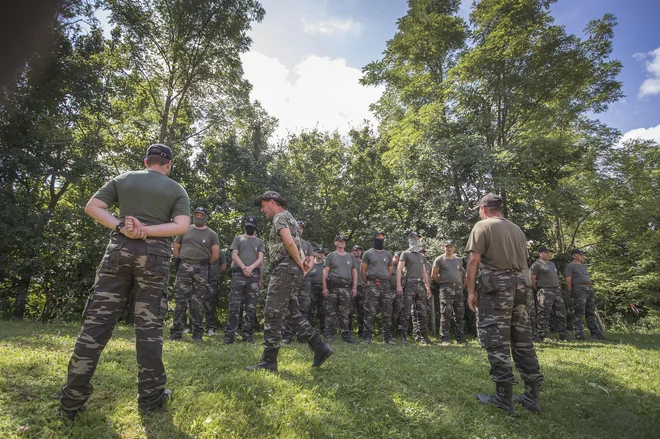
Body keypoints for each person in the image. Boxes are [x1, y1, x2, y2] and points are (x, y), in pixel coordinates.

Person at [60, 144, 190, 420]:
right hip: (154, 255)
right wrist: (147, 232)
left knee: (96, 324)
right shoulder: (176, 189)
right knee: (149, 327)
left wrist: (122, 226)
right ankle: (151, 397)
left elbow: (92, 207)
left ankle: (71, 400)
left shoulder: (123, 179)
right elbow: (181, 227)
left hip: (118, 250)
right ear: (168, 165)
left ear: (146, 161)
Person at [466, 193, 542, 413]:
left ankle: (503, 399)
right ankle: (532, 397)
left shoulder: (482, 226)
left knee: (497, 339)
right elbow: (525, 265)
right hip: (520, 285)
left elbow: (473, 259)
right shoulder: (517, 229)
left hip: (497, 286)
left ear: (483, 208)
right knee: (523, 341)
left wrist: (471, 291)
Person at [247, 191, 332, 372]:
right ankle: (319, 347)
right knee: (292, 313)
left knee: (272, 312)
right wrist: (302, 266)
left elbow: (290, 243)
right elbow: (297, 245)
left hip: (285, 268)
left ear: (272, 202)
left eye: (263, 206)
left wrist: (301, 265)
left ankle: (269, 361)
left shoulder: (279, 218)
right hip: (292, 269)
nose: (262, 211)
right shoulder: (291, 219)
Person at [170, 207, 220, 342]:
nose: (198, 216)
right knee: (181, 300)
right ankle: (176, 333)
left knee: (198, 302)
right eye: (196, 214)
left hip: (201, 269)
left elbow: (215, 253)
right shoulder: (185, 229)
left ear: (206, 217)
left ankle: (197, 334)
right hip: (184, 267)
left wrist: (205, 263)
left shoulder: (211, 234)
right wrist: (179, 259)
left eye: (201, 215)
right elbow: (176, 246)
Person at [224, 216, 265, 344]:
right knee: (234, 306)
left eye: (252, 226)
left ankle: (247, 335)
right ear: (245, 226)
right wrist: (244, 268)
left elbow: (261, 259)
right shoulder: (238, 239)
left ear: (255, 228)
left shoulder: (259, 242)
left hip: (254, 276)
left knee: (251, 307)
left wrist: (253, 271)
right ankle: (229, 335)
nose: (250, 228)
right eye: (248, 226)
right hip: (238, 275)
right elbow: (234, 255)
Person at [323, 235, 360, 344]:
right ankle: (329, 334)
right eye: (340, 241)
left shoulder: (350, 256)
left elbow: (354, 273)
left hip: (346, 287)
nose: (342, 243)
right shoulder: (331, 256)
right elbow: (325, 271)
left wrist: (354, 287)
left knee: (344, 312)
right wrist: (324, 287)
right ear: (335, 242)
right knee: (330, 312)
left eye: (343, 241)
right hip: (333, 287)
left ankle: (346, 335)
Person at [282, 219, 315, 343]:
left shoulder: (307, 245)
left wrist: (304, 273)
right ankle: (287, 335)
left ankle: (302, 335)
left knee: (304, 306)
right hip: (291, 277)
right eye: (298, 227)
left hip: (305, 279)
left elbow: (311, 261)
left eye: (301, 227)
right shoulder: (288, 241)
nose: (299, 229)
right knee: (290, 305)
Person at [396, 232, 432, 345]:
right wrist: (398, 285)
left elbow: (424, 272)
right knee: (406, 311)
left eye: (417, 239)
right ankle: (403, 337)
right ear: (409, 240)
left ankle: (424, 337)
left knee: (422, 312)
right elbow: (399, 269)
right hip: (409, 283)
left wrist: (427, 287)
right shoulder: (405, 254)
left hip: (420, 284)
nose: (416, 240)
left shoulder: (421, 256)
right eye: (414, 238)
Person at [360, 231, 395, 344]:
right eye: (378, 237)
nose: (380, 238)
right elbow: (363, 270)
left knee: (387, 311)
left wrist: (384, 279)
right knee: (370, 310)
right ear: (374, 238)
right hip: (372, 283)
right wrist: (369, 282)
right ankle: (367, 336)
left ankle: (387, 338)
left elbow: (390, 271)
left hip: (385, 284)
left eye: (382, 237)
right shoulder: (368, 253)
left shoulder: (388, 254)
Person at [565, 249, 606, 341]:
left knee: (590, 312)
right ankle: (579, 334)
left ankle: (595, 333)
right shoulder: (570, 266)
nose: (582, 256)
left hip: (589, 289)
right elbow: (568, 280)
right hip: (579, 289)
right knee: (579, 312)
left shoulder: (583, 266)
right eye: (580, 255)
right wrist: (572, 292)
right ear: (574, 256)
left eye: (582, 255)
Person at [432, 240, 467, 346]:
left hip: (458, 289)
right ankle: (444, 338)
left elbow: (461, 272)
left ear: (454, 248)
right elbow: (434, 275)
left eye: (451, 247)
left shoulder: (458, 260)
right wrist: (443, 283)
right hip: (446, 289)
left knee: (459, 314)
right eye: (447, 247)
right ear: (444, 248)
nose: (449, 248)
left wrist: (460, 284)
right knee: (446, 313)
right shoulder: (439, 259)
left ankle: (460, 338)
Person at [530, 246, 568, 342]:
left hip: (556, 290)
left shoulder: (551, 264)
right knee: (543, 314)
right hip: (545, 291)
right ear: (540, 253)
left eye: (549, 253)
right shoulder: (536, 265)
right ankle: (541, 336)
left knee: (561, 313)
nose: (548, 254)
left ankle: (564, 335)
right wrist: (538, 289)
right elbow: (532, 279)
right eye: (546, 252)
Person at [204, 251, 227, 336]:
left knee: (210, 305)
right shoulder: (202, 250)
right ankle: (192, 327)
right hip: (199, 280)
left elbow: (223, 266)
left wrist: (215, 274)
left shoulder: (220, 253)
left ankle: (210, 328)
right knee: (194, 303)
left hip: (212, 282)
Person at [350, 244, 367, 338]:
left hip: (362, 288)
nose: (357, 252)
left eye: (359, 250)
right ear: (352, 251)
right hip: (350, 288)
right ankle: (348, 331)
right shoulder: (349, 261)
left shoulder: (364, 263)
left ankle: (362, 332)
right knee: (349, 311)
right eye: (355, 250)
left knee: (362, 311)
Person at [309, 247, 327, 332]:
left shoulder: (326, 265)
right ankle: (310, 329)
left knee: (322, 310)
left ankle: (323, 329)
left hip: (323, 288)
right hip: (312, 288)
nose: (321, 254)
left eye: (322, 252)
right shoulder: (311, 264)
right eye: (319, 252)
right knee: (310, 309)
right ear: (315, 253)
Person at [390, 251, 404, 337]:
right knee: (388, 312)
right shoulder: (389, 265)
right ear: (395, 257)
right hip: (389, 291)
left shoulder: (401, 266)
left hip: (399, 293)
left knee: (397, 312)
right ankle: (387, 332)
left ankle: (394, 332)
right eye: (399, 259)